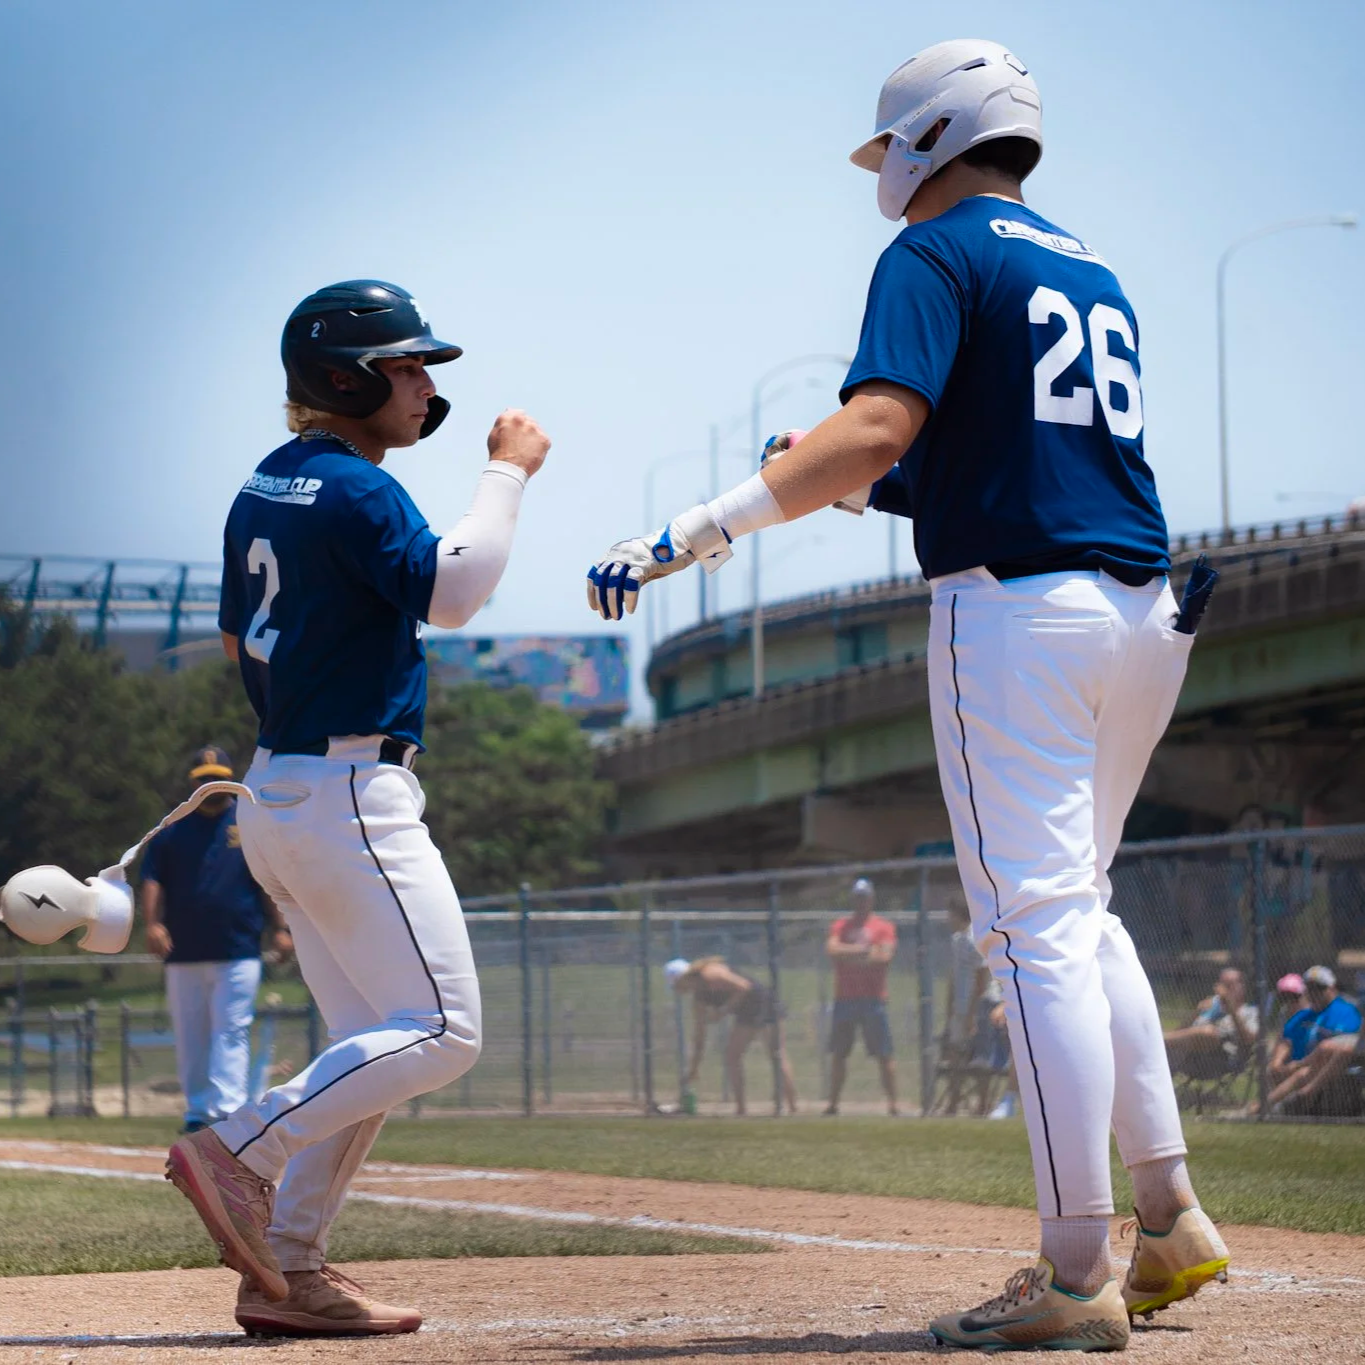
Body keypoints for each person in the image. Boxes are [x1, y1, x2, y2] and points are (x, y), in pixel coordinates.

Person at [586, 40, 1227, 1350]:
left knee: (1029, 930)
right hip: (1139, 611)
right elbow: (957, 469)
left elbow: (878, 429)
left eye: (892, 151)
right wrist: (836, 477)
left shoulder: (933, 254)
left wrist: (695, 528)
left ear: (931, 138)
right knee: (1078, 910)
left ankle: (1071, 1275)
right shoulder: (1087, 263)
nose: (886, 177)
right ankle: (1167, 1221)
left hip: (1018, 616)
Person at [164, 280, 549, 1339]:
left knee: (370, 1044)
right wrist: (507, 471)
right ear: (347, 379)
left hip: (281, 786)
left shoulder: (269, 484)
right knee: (442, 1030)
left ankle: (286, 1272)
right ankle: (234, 1148)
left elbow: (243, 644)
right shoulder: (356, 486)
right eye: (408, 366)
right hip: (347, 792)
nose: (426, 384)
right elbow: (456, 589)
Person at [140, 746, 292, 1133]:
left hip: (238, 949)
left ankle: (226, 1111)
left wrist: (281, 928)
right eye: (204, 780)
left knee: (231, 1028)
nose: (212, 786)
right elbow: (152, 877)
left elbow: (267, 882)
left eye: (217, 778)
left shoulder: (248, 824)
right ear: (193, 785)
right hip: (184, 951)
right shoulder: (171, 830)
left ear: (230, 780)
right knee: (193, 1035)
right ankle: (197, 1112)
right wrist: (153, 923)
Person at [665, 956, 797, 1115]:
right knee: (734, 1056)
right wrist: (694, 1068)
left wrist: (722, 1012)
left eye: (677, 985)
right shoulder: (699, 999)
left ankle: (791, 1107)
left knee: (776, 1054)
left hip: (762, 1002)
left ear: (682, 978)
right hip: (747, 1010)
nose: (678, 990)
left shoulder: (710, 974)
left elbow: (744, 986)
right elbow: (699, 1035)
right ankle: (741, 1108)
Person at [824, 877, 898, 1116]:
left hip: (872, 998)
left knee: (884, 1054)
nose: (861, 901)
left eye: (864, 897)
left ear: (871, 898)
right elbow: (833, 950)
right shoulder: (840, 925)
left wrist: (849, 956)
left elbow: (884, 956)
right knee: (839, 1053)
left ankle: (894, 1105)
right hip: (845, 998)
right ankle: (833, 1104)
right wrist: (866, 951)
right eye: (857, 897)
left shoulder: (883, 926)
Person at [1163, 968, 1258, 1082]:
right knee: (1170, 1047)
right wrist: (1196, 1013)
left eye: (1230, 984)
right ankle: (1160, 1042)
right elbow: (1178, 1033)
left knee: (1209, 1033)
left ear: (1242, 987)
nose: (1226, 989)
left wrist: (1231, 1007)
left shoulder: (1251, 1012)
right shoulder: (1211, 1007)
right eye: (1223, 984)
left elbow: (1248, 1039)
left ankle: (1158, 1040)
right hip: (1190, 1058)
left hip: (1221, 1060)